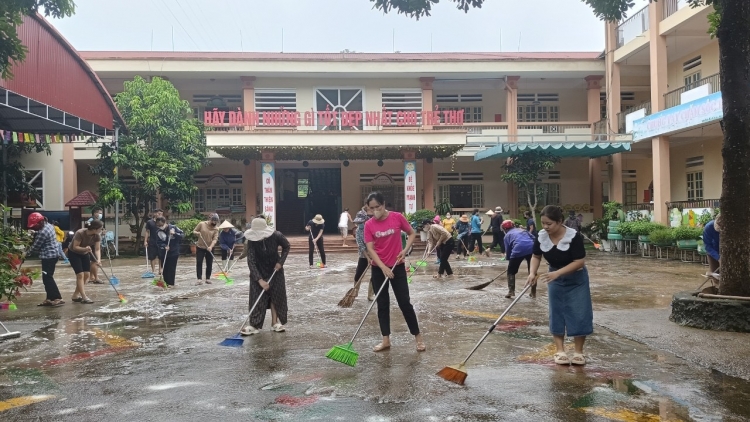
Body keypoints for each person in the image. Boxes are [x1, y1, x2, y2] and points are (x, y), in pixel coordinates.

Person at [526, 205, 591, 366]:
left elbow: (579, 261)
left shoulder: (573, 236)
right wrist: (532, 273)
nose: (546, 227)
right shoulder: (541, 236)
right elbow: (536, 256)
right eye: (543, 223)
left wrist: (558, 273)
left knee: (579, 312)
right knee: (557, 312)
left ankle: (578, 352)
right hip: (554, 277)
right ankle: (560, 350)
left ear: (560, 222)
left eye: (549, 224)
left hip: (576, 278)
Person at [364, 191, 425, 353]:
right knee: (382, 304)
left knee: (404, 303)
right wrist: (382, 267)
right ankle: (385, 340)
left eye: (377, 207)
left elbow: (412, 233)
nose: (375, 210)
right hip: (379, 269)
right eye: (372, 208)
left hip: (397, 266)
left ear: (384, 205)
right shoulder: (369, 225)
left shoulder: (397, 217)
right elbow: (370, 249)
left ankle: (418, 338)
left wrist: (405, 250)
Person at [241, 217, 291, 335]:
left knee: (276, 295)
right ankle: (254, 325)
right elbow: (251, 261)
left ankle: (275, 323)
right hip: (258, 270)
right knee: (256, 296)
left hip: (275, 269)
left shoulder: (276, 235)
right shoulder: (251, 241)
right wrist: (259, 280)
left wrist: (280, 262)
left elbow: (287, 246)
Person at [26, 213, 65, 307]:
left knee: (47, 278)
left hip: (49, 257)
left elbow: (35, 246)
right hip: (52, 255)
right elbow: (40, 233)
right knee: (46, 277)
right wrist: (34, 232)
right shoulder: (49, 225)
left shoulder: (43, 232)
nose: (34, 227)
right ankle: (49, 299)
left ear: (40, 222)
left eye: (35, 226)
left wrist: (26, 254)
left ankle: (57, 298)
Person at [68, 219, 104, 304]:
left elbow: (97, 249)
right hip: (74, 253)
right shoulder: (80, 233)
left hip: (85, 253)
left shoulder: (97, 236)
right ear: (95, 229)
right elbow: (75, 247)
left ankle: (75, 295)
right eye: (100, 229)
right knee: (80, 275)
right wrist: (85, 248)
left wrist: (98, 260)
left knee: (87, 275)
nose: (101, 230)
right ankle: (84, 297)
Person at [502, 220, 535, 298]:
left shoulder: (507, 236)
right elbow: (534, 238)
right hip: (531, 248)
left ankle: (511, 291)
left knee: (511, 271)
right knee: (532, 271)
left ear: (504, 229)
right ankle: (533, 293)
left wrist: (511, 263)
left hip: (518, 250)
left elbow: (508, 250)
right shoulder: (523, 230)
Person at [151, 217, 183, 288]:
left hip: (174, 252)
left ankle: (171, 283)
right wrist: (164, 246)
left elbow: (182, 236)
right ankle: (165, 283)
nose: (160, 227)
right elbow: (158, 242)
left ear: (165, 223)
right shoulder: (158, 232)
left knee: (171, 268)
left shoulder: (173, 228)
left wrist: (174, 234)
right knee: (165, 268)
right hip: (164, 252)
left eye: (161, 225)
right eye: (158, 226)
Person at [353, 204, 375, 301]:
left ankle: (370, 294)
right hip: (363, 255)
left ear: (366, 220)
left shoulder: (372, 228)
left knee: (375, 275)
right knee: (359, 274)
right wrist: (367, 257)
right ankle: (355, 292)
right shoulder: (358, 231)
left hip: (375, 254)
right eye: (358, 223)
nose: (359, 224)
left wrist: (373, 255)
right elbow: (361, 245)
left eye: (361, 222)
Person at [193, 213, 219, 285]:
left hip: (209, 248)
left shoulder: (216, 228)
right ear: (210, 219)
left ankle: (208, 278)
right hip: (200, 247)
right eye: (213, 221)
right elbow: (194, 231)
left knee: (209, 263)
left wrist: (211, 246)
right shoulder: (202, 224)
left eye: (216, 222)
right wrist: (197, 233)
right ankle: (199, 279)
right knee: (199, 262)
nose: (214, 223)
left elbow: (215, 239)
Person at [143, 209, 164, 276]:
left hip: (161, 242)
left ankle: (160, 269)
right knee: (152, 257)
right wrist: (145, 241)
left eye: (161, 214)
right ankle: (153, 270)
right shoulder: (150, 222)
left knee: (161, 256)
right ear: (155, 214)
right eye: (159, 214)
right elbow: (147, 231)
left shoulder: (162, 222)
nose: (160, 215)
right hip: (152, 241)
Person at [86, 207, 105, 284]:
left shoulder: (98, 221)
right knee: (94, 261)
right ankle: (96, 277)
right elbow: (90, 231)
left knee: (93, 261)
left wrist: (102, 233)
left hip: (95, 242)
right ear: (94, 213)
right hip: (91, 243)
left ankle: (91, 277)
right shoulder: (91, 221)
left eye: (101, 213)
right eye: (99, 213)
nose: (100, 214)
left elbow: (97, 233)